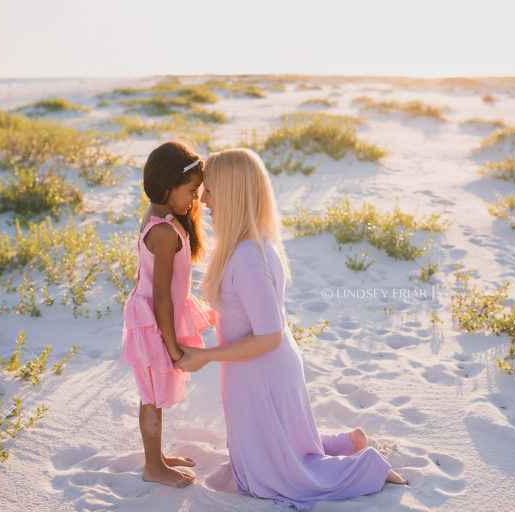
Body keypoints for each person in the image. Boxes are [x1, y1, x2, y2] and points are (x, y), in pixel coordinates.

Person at [174, 148, 406, 509]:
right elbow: (241, 313)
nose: (203, 201)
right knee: (280, 449)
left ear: (233, 193)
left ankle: (369, 468)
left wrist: (206, 356)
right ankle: (350, 441)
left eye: (211, 191)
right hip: (254, 369)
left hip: (261, 369)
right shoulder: (249, 246)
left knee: (275, 478)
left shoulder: (248, 256)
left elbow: (268, 336)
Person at [120, 141, 214, 488]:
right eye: (190, 191)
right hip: (152, 323)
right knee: (151, 397)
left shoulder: (164, 219)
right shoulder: (162, 231)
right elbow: (161, 296)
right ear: (166, 187)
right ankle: (152, 467)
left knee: (155, 394)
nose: (193, 200)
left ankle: (157, 456)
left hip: (154, 319)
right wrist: (172, 347)